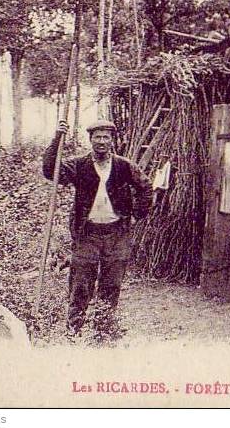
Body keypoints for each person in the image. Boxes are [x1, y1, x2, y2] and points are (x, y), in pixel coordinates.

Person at [42, 119, 152, 337]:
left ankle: (103, 329)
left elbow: (146, 187)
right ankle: (74, 330)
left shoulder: (124, 166)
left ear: (112, 140)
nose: (101, 141)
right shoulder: (79, 165)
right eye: (97, 137)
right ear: (90, 140)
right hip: (87, 234)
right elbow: (49, 171)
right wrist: (57, 138)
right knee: (81, 284)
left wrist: (136, 215)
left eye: (106, 137)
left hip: (117, 233)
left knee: (111, 284)